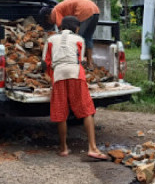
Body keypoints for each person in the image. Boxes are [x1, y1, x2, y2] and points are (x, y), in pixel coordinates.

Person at [41, 15, 109, 160]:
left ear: (61, 27)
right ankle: (92, 148)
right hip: (76, 73)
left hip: (59, 74)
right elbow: (79, 59)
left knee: (61, 112)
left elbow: (45, 62)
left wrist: (50, 76)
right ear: (76, 28)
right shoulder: (79, 39)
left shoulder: (51, 39)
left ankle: (64, 148)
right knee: (87, 110)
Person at [39, 0, 100, 68]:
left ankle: (76, 63)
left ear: (47, 16)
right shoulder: (59, 7)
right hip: (95, 10)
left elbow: (62, 29)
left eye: (47, 21)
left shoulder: (54, 12)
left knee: (75, 39)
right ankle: (90, 64)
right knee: (88, 37)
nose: (50, 23)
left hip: (83, 10)